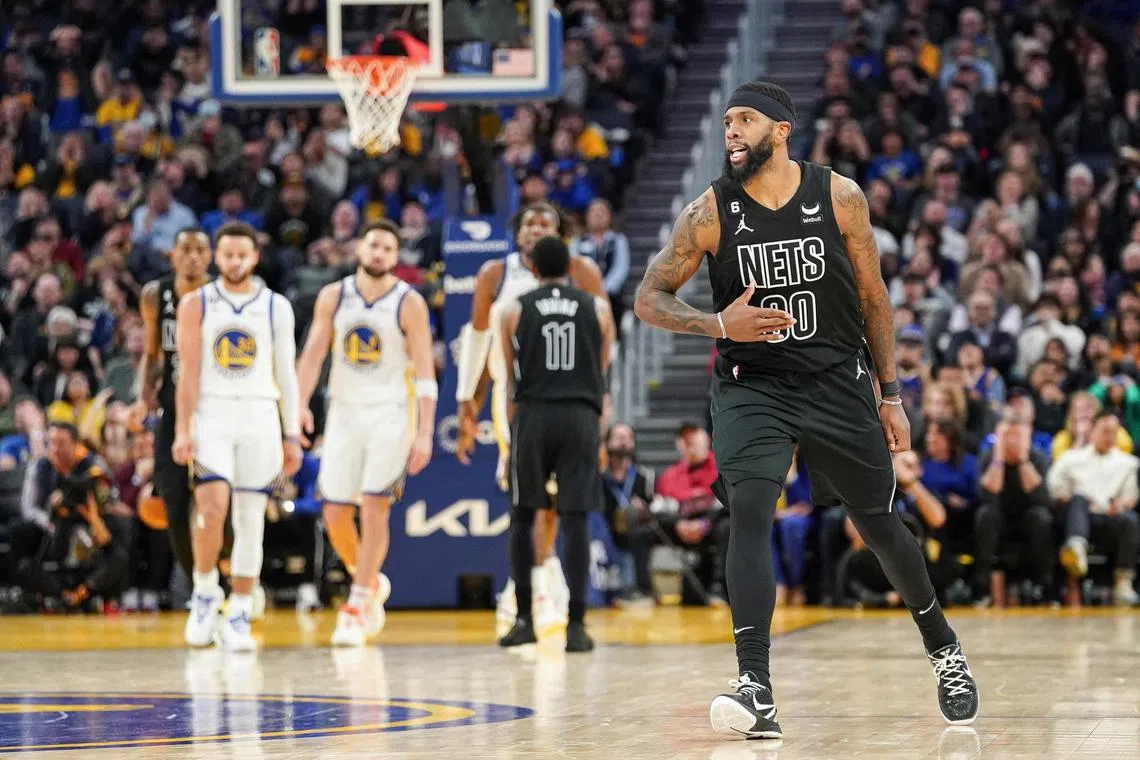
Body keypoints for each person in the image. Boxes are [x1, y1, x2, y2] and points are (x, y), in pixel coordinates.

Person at [633, 81, 979, 738]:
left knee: (879, 523)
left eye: (745, 119)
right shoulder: (710, 213)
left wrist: (890, 394)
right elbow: (650, 298)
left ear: (782, 129)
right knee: (753, 510)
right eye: (727, 120)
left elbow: (876, 301)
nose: (731, 130)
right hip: (751, 385)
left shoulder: (838, 197)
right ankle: (755, 684)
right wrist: (717, 325)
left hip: (835, 382)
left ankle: (943, 647)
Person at [453, 202, 605, 635]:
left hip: (572, 398)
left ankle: (542, 577)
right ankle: (539, 578)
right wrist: (468, 402)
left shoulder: (584, 272)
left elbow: (599, 342)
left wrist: (599, 404)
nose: (537, 228)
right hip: (516, 399)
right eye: (529, 223)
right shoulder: (494, 275)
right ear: (517, 233)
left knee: (558, 498)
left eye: (547, 223)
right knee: (529, 497)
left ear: (561, 234)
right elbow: (478, 342)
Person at [296, 219, 436, 647]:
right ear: (360, 248)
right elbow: (313, 353)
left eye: (387, 248)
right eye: (373, 244)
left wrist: (425, 432)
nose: (378, 253)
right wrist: (298, 406)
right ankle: (371, 581)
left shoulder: (409, 302)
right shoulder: (334, 296)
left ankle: (356, 603)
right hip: (343, 412)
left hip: (392, 413)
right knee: (335, 511)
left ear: (396, 257)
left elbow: (427, 374)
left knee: (375, 505)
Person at [172, 221, 303, 651]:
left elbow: (286, 371)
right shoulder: (196, 304)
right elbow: (187, 372)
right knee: (211, 507)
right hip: (212, 413)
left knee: (250, 520)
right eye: (226, 254)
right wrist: (182, 427)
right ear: (217, 257)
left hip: (260, 414)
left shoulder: (275, 306)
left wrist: (291, 432)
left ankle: (241, 610)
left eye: (241, 255)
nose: (234, 262)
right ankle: (205, 591)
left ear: (254, 257)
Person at [497, 235, 614, 652]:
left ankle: (525, 619)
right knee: (577, 518)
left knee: (524, 515)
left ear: (532, 268)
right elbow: (602, 374)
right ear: (571, 268)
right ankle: (577, 626)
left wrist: (516, 429)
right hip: (580, 415)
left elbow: (510, 380)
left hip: (534, 414)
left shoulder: (512, 309)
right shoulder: (598, 308)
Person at [1047, 412, 1140, 606]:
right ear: (1092, 431)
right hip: (1076, 517)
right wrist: (1069, 495)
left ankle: (1123, 582)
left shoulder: (1129, 463)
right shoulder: (1070, 458)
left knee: (1130, 520)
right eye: (1105, 431)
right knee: (1078, 500)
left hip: (1107, 517)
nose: (1110, 436)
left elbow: (1131, 496)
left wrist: (1122, 504)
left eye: (1114, 432)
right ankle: (1076, 547)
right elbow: (1054, 489)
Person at [975, 412, 1052, 606]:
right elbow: (987, 495)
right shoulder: (990, 458)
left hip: (1027, 521)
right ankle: (982, 587)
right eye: (1006, 436)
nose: (1011, 441)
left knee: (1041, 516)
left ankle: (1043, 586)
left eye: (1016, 436)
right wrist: (999, 458)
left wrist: (1023, 459)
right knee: (985, 515)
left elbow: (1041, 498)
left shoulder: (1036, 458)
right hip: (998, 520)